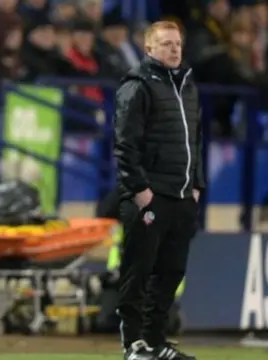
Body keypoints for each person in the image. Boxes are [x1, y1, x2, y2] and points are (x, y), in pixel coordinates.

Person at [113, 21, 204, 360]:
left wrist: (197, 184)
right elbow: (125, 144)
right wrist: (139, 191)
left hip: (181, 196)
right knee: (138, 271)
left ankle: (155, 341)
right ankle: (132, 343)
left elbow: (197, 140)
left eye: (177, 43)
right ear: (149, 49)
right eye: (166, 44)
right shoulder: (136, 86)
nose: (175, 49)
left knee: (170, 273)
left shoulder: (188, 87)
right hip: (150, 196)